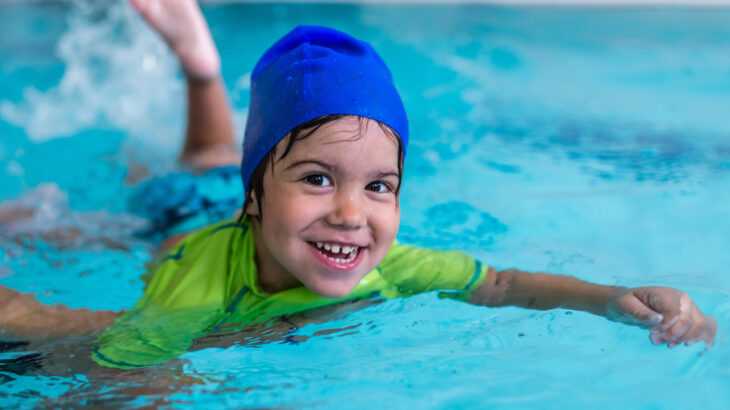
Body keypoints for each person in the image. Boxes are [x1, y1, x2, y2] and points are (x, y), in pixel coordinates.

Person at [0, 0, 717, 370]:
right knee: (131, 201)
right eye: (320, 179)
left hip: (242, 189)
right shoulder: (198, 284)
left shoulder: (384, 261)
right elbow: (115, 360)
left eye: (379, 187)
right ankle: (200, 70)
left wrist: (613, 301)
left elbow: (501, 284)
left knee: (218, 159)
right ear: (260, 199)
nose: (350, 213)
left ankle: (199, 65)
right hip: (183, 220)